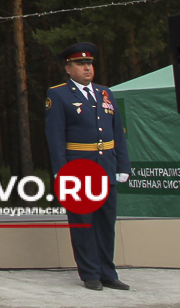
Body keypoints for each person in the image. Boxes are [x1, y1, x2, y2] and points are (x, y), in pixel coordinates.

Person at [45, 40, 131, 291]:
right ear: (68, 68)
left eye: (89, 63)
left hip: (106, 167)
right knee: (83, 223)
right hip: (78, 168)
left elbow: (117, 133)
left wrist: (123, 165)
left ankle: (107, 272)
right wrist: (61, 171)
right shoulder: (58, 94)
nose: (87, 68)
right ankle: (90, 273)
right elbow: (56, 136)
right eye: (80, 64)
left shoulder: (105, 93)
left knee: (106, 223)